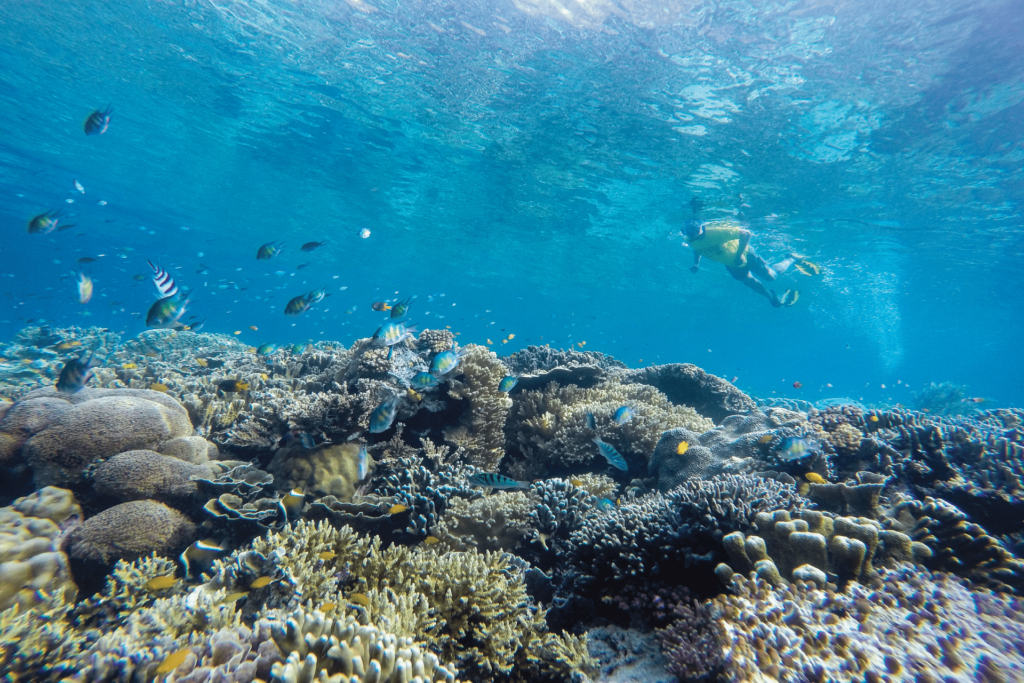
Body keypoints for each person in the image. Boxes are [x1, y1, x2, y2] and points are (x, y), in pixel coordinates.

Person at [684, 218, 818, 308]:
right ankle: (771, 297)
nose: (693, 235)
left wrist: (740, 255)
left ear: (701, 227)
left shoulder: (716, 233)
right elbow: (698, 248)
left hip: (746, 255)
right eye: (690, 233)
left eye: (695, 231)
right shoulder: (690, 239)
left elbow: (746, 234)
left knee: (771, 277)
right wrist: (696, 263)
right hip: (731, 263)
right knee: (748, 281)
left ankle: (791, 258)